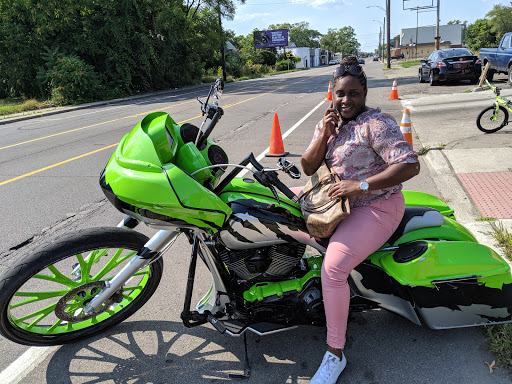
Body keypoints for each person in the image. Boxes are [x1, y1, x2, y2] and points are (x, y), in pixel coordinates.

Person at [300, 56, 420, 384]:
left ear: (364, 92)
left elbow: (410, 165)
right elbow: (308, 168)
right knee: (265, 217)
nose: (346, 100)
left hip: (376, 206)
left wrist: (361, 184)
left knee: (334, 269)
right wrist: (324, 134)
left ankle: (335, 353)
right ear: (332, 93)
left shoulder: (376, 123)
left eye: (353, 93)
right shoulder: (328, 121)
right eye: (341, 93)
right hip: (332, 202)